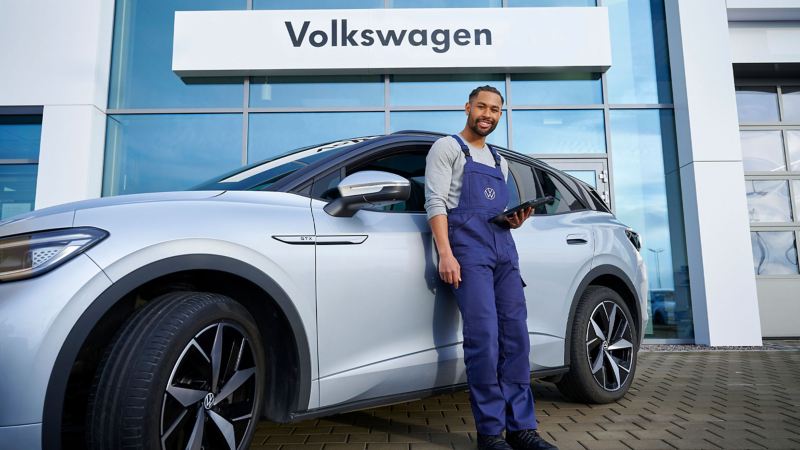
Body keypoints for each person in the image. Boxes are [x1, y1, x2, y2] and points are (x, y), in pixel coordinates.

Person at [424, 86, 558, 450]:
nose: (488, 114)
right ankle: (490, 433)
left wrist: (514, 220)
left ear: (500, 115)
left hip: (503, 248)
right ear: (468, 108)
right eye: (482, 106)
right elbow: (435, 203)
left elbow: (496, 209)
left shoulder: (500, 160)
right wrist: (445, 254)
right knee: (483, 339)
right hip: (468, 250)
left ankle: (522, 429)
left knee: (516, 339)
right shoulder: (448, 148)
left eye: (495, 110)